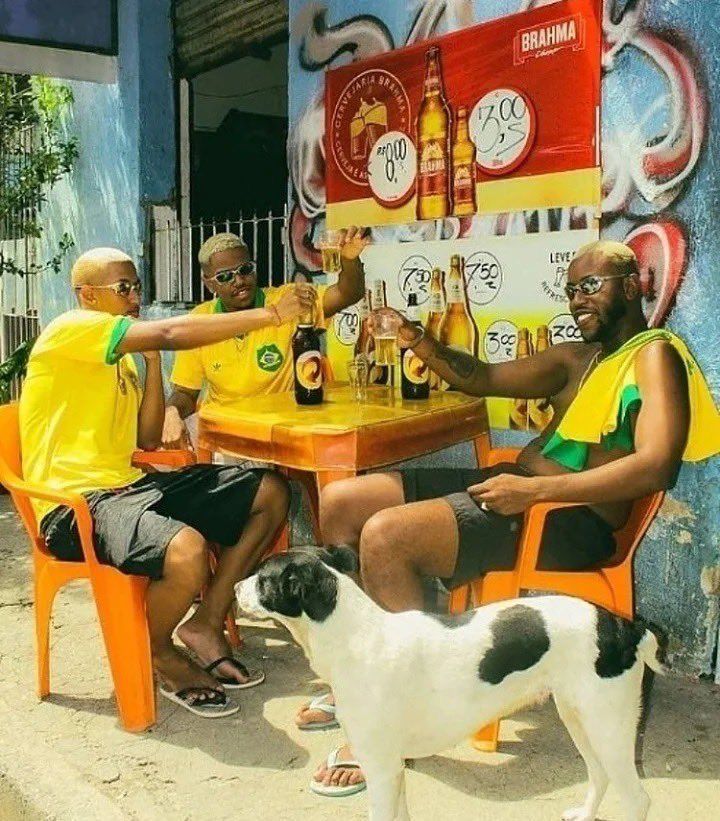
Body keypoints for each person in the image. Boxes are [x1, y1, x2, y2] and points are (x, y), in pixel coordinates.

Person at [301, 240, 720, 795]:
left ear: (635, 283)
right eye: (571, 290)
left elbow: (655, 466)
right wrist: (415, 338)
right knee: (345, 502)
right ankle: (380, 664)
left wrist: (535, 494)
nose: (577, 300)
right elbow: (482, 378)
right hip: (519, 495)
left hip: (567, 521)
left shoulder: (654, 356)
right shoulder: (578, 359)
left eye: (590, 286)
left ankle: (395, 710)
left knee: (387, 538)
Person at [20, 247, 315, 717]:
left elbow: (146, 437)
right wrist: (270, 314)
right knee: (187, 549)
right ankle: (157, 651)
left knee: (271, 492)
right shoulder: (70, 329)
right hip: (71, 504)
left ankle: (206, 621)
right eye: (123, 289)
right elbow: (174, 330)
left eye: (138, 285)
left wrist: (153, 364)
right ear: (87, 295)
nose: (135, 296)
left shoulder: (120, 356)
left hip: (127, 487)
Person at [162, 228, 370, 448]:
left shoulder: (289, 300)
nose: (239, 280)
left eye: (245, 269)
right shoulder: (200, 322)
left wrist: (349, 259)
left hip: (281, 431)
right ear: (209, 283)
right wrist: (172, 411)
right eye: (225, 277)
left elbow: (348, 293)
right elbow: (185, 391)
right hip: (226, 435)